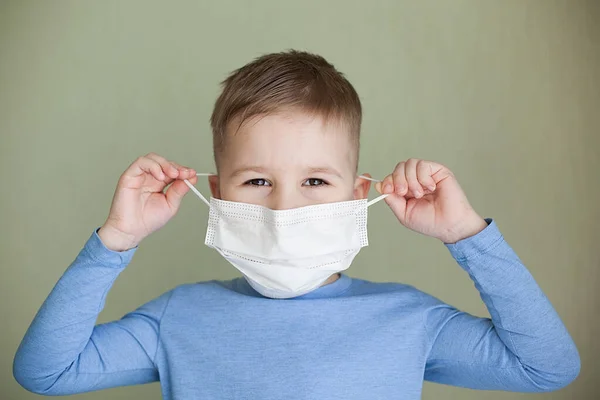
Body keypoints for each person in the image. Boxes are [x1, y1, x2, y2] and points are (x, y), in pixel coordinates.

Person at [13, 51, 580, 399]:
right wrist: (116, 240)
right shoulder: (176, 319)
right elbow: (46, 372)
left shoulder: (409, 320)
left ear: (360, 195)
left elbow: (547, 368)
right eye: (257, 181)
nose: (285, 210)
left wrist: (467, 236)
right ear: (215, 195)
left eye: (316, 182)